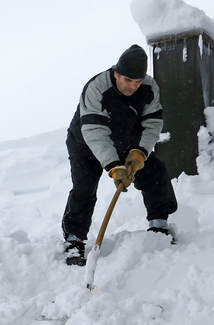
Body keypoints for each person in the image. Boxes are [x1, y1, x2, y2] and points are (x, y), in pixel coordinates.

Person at [61, 44, 178, 266]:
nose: (132, 87)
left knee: (155, 171)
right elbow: (95, 131)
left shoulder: (149, 88)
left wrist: (139, 153)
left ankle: (159, 225)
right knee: (84, 188)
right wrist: (114, 167)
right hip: (86, 142)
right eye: (127, 80)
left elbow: (152, 122)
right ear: (116, 73)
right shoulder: (97, 88)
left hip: (127, 141)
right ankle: (74, 240)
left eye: (137, 82)